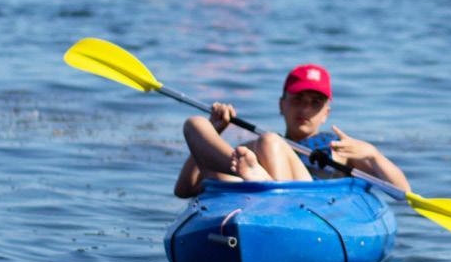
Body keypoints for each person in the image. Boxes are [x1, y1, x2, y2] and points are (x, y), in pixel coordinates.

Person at [173, 64, 410, 198]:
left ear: (326, 112)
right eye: (298, 100)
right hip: (253, 188)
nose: (305, 109)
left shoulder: (341, 149)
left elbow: (402, 193)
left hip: (306, 204)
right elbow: (184, 190)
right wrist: (216, 131)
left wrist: (373, 155)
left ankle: (268, 186)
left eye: (315, 103)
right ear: (281, 104)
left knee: (270, 141)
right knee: (195, 124)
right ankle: (258, 180)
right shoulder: (250, 152)